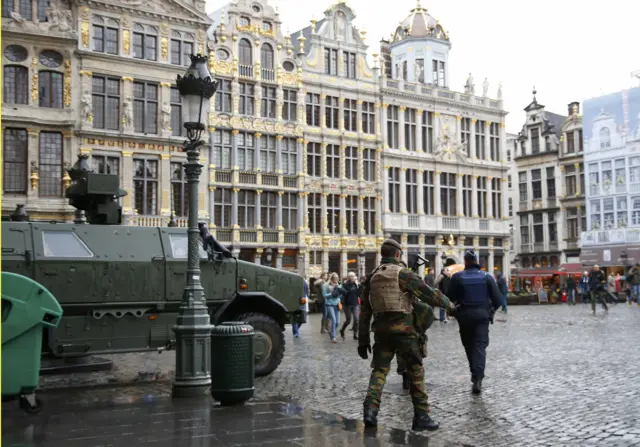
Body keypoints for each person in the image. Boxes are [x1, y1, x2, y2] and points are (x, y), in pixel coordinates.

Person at [358, 239, 456, 431]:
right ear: (397, 255)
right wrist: (451, 307)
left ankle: (370, 411)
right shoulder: (403, 274)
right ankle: (421, 416)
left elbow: (365, 312)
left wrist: (363, 340)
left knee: (379, 371)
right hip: (405, 333)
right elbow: (430, 294)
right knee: (416, 371)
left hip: (381, 333)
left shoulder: (372, 277)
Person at [446, 250, 502, 395]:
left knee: (469, 346)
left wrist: (454, 311)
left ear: (465, 262)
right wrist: (490, 312)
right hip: (482, 316)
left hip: (464, 316)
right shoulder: (487, 277)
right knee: (479, 346)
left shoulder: (457, 277)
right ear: (477, 261)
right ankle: (478, 377)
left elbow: (449, 297)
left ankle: (475, 373)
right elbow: (498, 300)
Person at [340, 272, 360, 340]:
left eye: (353, 276)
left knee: (356, 320)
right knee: (348, 320)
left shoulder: (356, 284)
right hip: (347, 305)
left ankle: (355, 334)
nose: (352, 277)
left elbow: (359, 293)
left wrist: (358, 286)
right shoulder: (345, 285)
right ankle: (342, 330)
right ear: (348, 277)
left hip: (355, 304)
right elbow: (345, 294)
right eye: (351, 276)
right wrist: (351, 289)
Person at [324, 273, 342, 343]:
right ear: (332, 278)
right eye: (335, 278)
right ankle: (333, 337)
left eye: (337, 278)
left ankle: (331, 332)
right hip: (329, 304)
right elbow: (324, 295)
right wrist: (331, 293)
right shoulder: (326, 285)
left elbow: (340, 295)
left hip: (336, 304)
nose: (336, 279)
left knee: (337, 322)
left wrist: (339, 294)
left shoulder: (339, 285)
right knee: (334, 320)